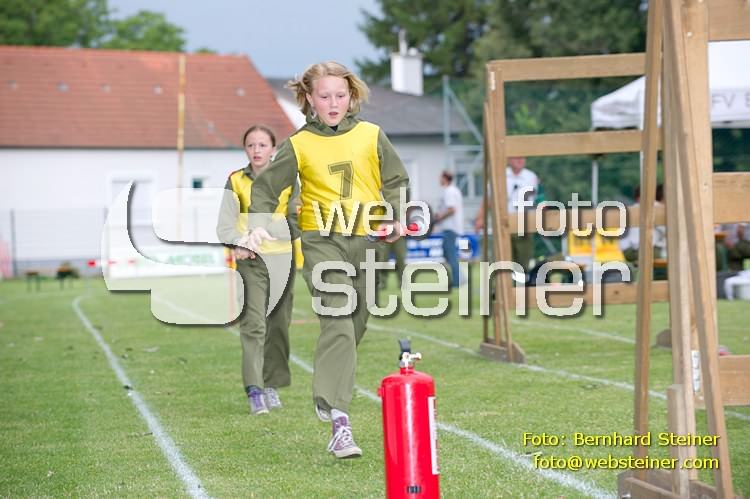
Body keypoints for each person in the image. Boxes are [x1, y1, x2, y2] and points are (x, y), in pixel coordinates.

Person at [244, 62, 409, 458]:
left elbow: (396, 181)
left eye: (340, 95)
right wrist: (258, 225)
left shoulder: (372, 135)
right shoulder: (299, 144)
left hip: (368, 240)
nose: (333, 103)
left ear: (351, 97)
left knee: (355, 324)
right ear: (309, 99)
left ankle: (327, 393)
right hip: (321, 241)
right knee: (338, 319)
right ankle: (340, 421)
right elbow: (266, 188)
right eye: (324, 96)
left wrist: (396, 215)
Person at [217, 125, 297, 416]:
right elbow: (224, 226)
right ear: (245, 149)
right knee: (253, 325)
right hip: (250, 263)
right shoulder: (235, 180)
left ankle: (272, 384)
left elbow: (297, 221)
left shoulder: (288, 180)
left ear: (273, 149)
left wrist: (264, 233)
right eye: (251, 145)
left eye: (262, 145)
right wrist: (239, 242)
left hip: (282, 261)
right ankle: (255, 390)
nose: (256, 150)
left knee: (278, 327)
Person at [474, 157, 538, 271]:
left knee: (523, 261)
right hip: (503, 223)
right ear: (509, 160)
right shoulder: (499, 175)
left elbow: (538, 199)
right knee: (502, 260)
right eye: (516, 157)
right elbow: (488, 200)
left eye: (522, 157)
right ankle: (501, 282)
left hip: (524, 224)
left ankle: (522, 281)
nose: (520, 160)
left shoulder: (531, 176)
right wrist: (480, 218)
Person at [433, 171, 464, 287]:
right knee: (448, 254)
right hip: (452, 227)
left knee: (450, 255)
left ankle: (458, 281)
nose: (439, 180)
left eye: (440, 177)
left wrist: (439, 218)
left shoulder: (449, 191)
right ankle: (460, 277)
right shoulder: (454, 190)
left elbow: (451, 209)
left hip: (450, 228)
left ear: (445, 178)